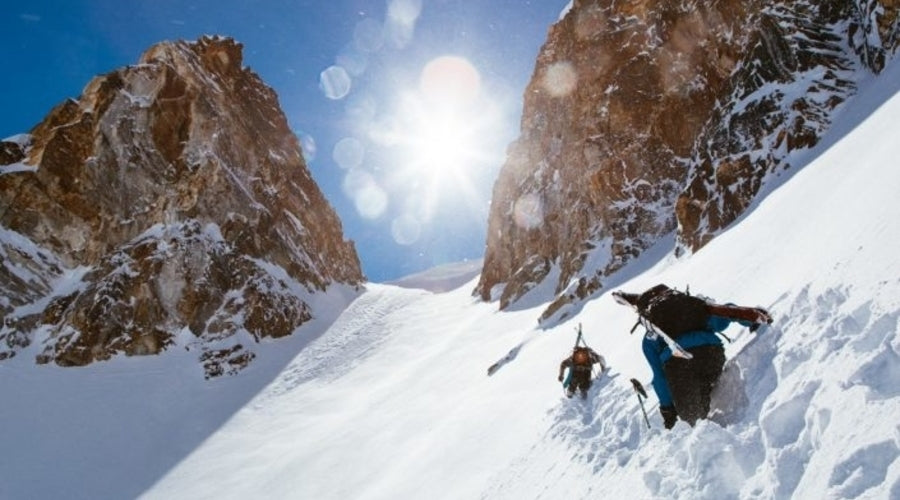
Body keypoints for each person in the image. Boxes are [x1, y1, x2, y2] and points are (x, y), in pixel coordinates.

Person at [613, 284, 772, 428]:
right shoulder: (694, 309)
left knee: (693, 422)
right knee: (707, 383)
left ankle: (706, 436)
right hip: (711, 354)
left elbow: (659, 377)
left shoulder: (651, 336)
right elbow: (726, 314)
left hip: (678, 366)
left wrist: (668, 410)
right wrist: (752, 321)